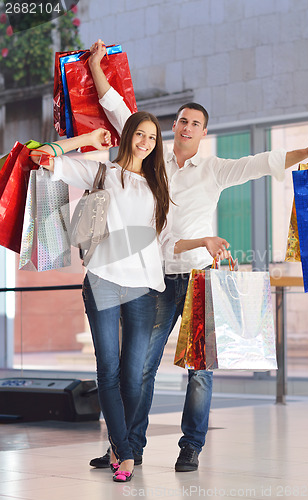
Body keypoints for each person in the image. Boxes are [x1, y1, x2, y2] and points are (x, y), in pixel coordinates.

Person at [88, 39, 308, 472]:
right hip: (157, 278)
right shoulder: (152, 157)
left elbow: (263, 162)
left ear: (203, 131)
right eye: (181, 120)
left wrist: (307, 153)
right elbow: (118, 110)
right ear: (174, 125)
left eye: (194, 123)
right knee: (140, 366)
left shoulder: (216, 170)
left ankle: (191, 445)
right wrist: (95, 67)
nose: (185, 127)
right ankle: (128, 447)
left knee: (201, 368)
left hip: (200, 277)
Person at [30, 114, 231, 482]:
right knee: (108, 370)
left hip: (143, 288)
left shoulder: (158, 185)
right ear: (127, 137)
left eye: (152, 137)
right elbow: (42, 156)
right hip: (103, 281)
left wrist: (203, 240)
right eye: (139, 134)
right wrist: (88, 137)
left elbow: (166, 242)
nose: (145, 141)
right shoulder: (103, 172)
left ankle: (121, 446)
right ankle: (123, 452)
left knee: (134, 377)